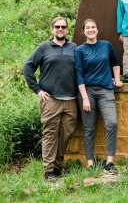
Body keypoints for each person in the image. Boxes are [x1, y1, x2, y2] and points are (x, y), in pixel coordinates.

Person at [23, 17, 78, 182]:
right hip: (51, 100)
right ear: (52, 29)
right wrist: (37, 90)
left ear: (67, 29)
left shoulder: (74, 48)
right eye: (57, 26)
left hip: (71, 99)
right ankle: (48, 170)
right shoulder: (44, 47)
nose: (60, 29)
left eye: (63, 27)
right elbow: (28, 66)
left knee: (66, 134)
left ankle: (58, 166)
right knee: (50, 135)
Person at [74, 19, 122, 172]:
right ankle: (90, 163)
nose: (90, 30)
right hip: (87, 92)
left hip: (106, 90)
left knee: (112, 123)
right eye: (87, 28)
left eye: (93, 27)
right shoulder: (80, 50)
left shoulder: (106, 45)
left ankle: (109, 163)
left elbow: (115, 62)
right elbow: (79, 74)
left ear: (97, 30)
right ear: (83, 31)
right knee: (89, 128)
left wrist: (118, 79)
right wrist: (85, 98)